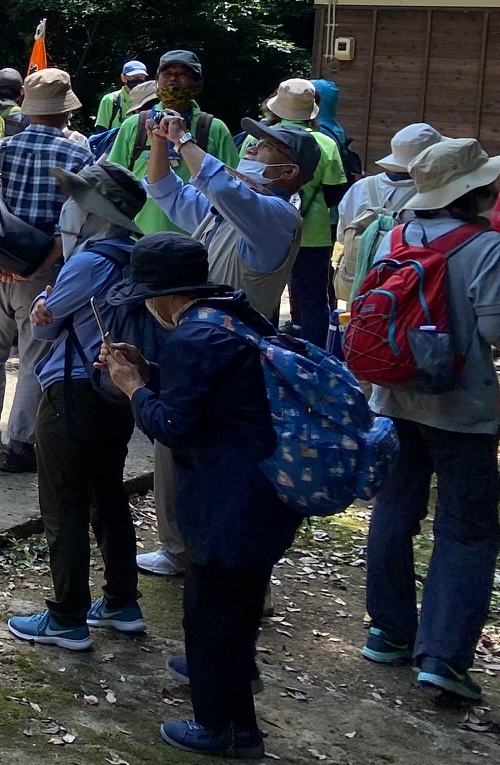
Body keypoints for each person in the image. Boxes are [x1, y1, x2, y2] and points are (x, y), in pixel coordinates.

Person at [98, 235, 301, 763]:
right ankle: (229, 672)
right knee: (237, 602)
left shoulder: (194, 338)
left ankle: (227, 728)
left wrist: (131, 387)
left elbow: (174, 425)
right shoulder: (233, 316)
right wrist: (151, 373)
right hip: (264, 484)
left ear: (162, 294)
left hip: (228, 495)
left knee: (210, 609)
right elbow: (211, 395)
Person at [137, 113, 312, 577]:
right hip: (195, 341)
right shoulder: (226, 212)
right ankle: (179, 549)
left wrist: (185, 139)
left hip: (234, 353)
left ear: (289, 172)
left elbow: (220, 184)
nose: (249, 150)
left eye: (263, 148)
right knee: (175, 451)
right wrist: (160, 143)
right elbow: (167, 192)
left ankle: (228, 566)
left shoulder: (277, 216)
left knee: (220, 458)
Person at [359, 137, 500, 703]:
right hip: (461, 410)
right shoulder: (484, 246)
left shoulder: (394, 236)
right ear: (477, 193)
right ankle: (442, 656)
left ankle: (388, 629)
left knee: (395, 509)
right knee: (467, 529)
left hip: (392, 397)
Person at [7, 160, 148, 651]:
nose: (69, 208)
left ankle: (67, 616)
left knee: (63, 503)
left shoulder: (88, 262)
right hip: (117, 389)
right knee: (107, 495)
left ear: (95, 212)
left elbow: (44, 327)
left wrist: (46, 302)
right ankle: (120, 601)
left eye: (77, 200)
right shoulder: (133, 256)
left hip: (71, 391)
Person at [0, 68, 92, 471]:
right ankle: (20, 445)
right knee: (34, 358)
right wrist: (38, 264)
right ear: (65, 110)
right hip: (43, 275)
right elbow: (74, 221)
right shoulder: (79, 155)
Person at [106, 49, 239, 236]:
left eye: (183, 74)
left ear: (197, 82)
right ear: (157, 80)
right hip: (139, 238)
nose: (173, 79)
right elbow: (113, 180)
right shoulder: (135, 125)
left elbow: (232, 187)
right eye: (167, 73)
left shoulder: (213, 129)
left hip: (198, 241)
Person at [259, 78, 347, 347]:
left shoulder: (259, 138)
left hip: (264, 231)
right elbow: (335, 193)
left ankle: (264, 348)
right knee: (313, 299)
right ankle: (315, 357)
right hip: (313, 233)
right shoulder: (326, 142)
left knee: (265, 296)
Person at [335, 122, 442, 302]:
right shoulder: (432, 197)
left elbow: (343, 236)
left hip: (359, 286)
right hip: (409, 289)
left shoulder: (360, 188)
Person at [94, 60, 149, 133]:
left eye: (141, 77)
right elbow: (101, 130)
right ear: (123, 77)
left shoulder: (149, 100)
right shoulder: (110, 100)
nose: (137, 80)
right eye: (133, 77)